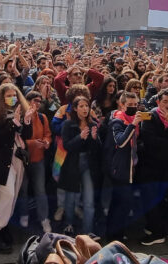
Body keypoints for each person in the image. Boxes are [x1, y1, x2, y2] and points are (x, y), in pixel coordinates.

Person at [0, 83, 32, 253]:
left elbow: (26, 135)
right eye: (8, 95)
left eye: (15, 95)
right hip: (2, 162)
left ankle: (2, 227)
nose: (12, 98)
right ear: (1, 98)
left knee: (13, 196)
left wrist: (25, 122)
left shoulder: (21, 111)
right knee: (6, 195)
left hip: (17, 159)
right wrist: (13, 123)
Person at [137, 89, 168, 246]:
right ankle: (154, 227)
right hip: (151, 166)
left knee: (161, 200)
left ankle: (159, 232)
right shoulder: (150, 116)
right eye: (165, 102)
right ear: (158, 102)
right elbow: (149, 140)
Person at [60, 95, 102, 239]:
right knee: (71, 197)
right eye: (82, 106)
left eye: (87, 106)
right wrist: (80, 138)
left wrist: (95, 139)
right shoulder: (68, 124)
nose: (85, 109)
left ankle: (87, 231)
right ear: (75, 109)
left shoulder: (93, 124)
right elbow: (67, 146)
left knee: (89, 200)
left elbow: (98, 149)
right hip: (73, 164)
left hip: (88, 164)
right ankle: (69, 224)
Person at [105, 91, 142, 241]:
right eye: (129, 105)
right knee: (121, 203)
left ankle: (116, 233)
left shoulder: (134, 119)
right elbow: (120, 142)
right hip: (120, 168)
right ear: (122, 105)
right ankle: (115, 236)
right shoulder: (117, 121)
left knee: (120, 203)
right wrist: (133, 124)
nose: (133, 108)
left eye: (135, 105)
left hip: (130, 167)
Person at [18, 91, 52, 233]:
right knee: (23, 190)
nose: (38, 103)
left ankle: (44, 218)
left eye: (39, 101)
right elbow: (18, 139)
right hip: (23, 160)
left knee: (40, 190)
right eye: (35, 100)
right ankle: (24, 213)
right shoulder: (20, 117)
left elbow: (48, 134)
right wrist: (33, 143)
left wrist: (46, 142)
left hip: (38, 159)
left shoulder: (43, 117)